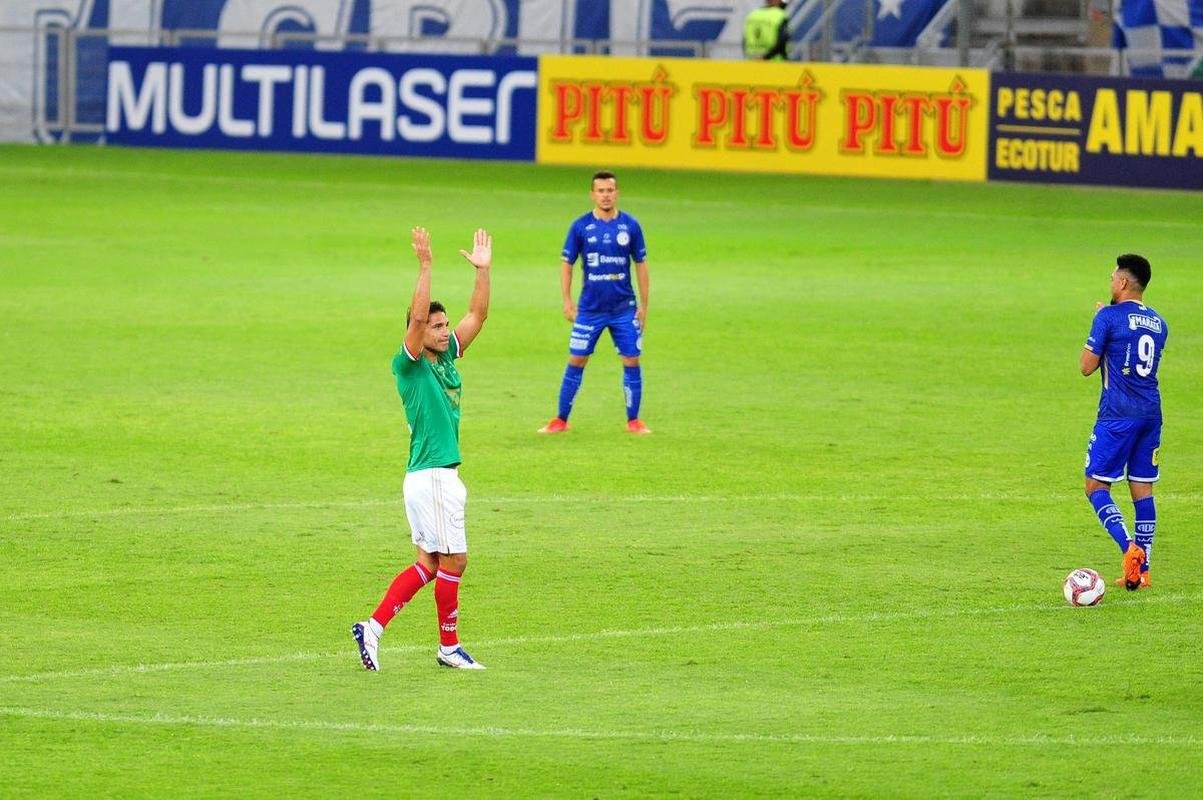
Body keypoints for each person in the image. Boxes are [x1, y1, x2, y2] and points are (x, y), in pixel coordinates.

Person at [353, 226, 492, 671]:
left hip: (432, 476)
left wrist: (483, 273)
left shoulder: (447, 355)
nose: (443, 329)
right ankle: (448, 648)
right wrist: (427, 265)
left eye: (443, 324)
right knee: (456, 559)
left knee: (430, 563)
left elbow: (478, 316)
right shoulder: (408, 365)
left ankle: (372, 629)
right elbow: (414, 322)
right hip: (433, 475)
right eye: (435, 324)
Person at [539, 171, 651, 435]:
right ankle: (560, 420)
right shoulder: (580, 227)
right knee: (576, 360)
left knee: (631, 360)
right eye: (600, 191)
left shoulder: (630, 226)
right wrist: (567, 301)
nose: (605, 195)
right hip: (589, 310)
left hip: (624, 309)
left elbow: (642, 265)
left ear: (617, 193)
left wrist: (644, 306)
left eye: (610, 190)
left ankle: (634, 421)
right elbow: (567, 265)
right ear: (592, 194)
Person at [1080, 254, 1167, 591]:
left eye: (1113, 277)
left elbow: (1087, 366)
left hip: (1117, 415)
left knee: (1096, 486)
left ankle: (1128, 548)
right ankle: (1141, 571)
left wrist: (1100, 322)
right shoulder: (1160, 323)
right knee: (1142, 489)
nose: (1111, 281)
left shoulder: (1108, 318)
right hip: (1151, 414)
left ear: (1124, 283)